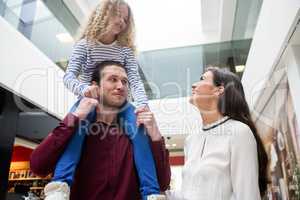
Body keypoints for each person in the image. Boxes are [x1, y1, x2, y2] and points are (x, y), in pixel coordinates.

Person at [45, 0, 163, 199]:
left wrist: (142, 105)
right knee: (76, 133)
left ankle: (151, 193)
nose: (122, 23)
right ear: (103, 14)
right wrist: (84, 89)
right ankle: (60, 185)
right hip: (89, 100)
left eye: (126, 20)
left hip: (121, 104)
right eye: (118, 15)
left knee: (140, 132)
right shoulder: (85, 45)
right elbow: (69, 76)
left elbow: (134, 80)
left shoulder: (124, 50)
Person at [30, 61, 171, 200]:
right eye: (113, 79)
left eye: (124, 81)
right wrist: (74, 117)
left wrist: (156, 136)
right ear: (95, 86)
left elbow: (163, 183)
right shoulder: (75, 129)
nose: (121, 86)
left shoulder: (136, 134)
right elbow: (38, 166)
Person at [166, 67, 268, 200]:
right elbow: (190, 194)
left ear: (219, 90)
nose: (193, 85)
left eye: (202, 79)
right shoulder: (191, 139)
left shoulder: (239, 132)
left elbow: (247, 195)